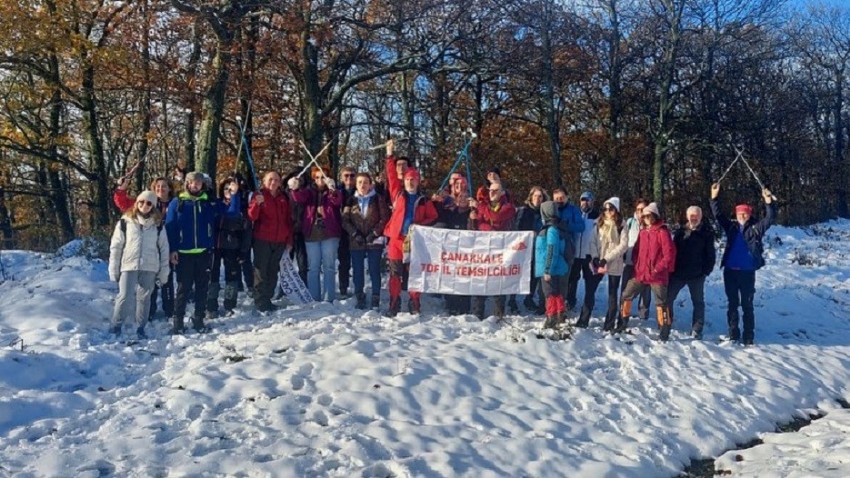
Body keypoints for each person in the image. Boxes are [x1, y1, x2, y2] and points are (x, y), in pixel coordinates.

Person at [165, 172, 241, 334]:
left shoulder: (209, 202)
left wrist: (234, 194)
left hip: (204, 253)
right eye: (192, 182)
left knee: (202, 287)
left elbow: (232, 212)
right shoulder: (177, 202)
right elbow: (170, 228)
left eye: (198, 182)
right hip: (183, 253)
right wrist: (172, 250)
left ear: (203, 184)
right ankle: (178, 321)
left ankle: (198, 318)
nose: (195, 185)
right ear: (187, 183)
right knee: (183, 288)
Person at [710, 183, 775, 345]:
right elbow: (718, 215)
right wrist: (714, 197)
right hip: (730, 272)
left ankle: (748, 336)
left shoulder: (755, 228)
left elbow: (770, 219)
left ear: (749, 214)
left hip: (747, 273)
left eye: (745, 213)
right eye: (740, 213)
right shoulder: (731, 227)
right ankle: (733, 334)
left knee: (747, 304)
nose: (742, 216)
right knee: (732, 304)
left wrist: (768, 202)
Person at [383, 139, 438, 316]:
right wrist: (390, 154)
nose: (410, 183)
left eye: (413, 180)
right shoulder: (398, 194)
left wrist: (420, 226)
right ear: (404, 181)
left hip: (415, 242)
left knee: (415, 273)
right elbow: (391, 175)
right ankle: (394, 301)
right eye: (408, 180)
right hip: (397, 240)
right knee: (394, 273)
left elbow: (433, 217)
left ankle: (415, 301)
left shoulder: (424, 199)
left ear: (418, 181)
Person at [108, 191, 170, 338]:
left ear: (153, 206)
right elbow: (116, 246)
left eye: (149, 203)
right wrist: (114, 268)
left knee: (144, 298)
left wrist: (163, 271)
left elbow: (164, 248)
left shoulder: (158, 225)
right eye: (141, 201)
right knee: (124, 296)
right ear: (137, 202)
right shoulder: (125, 221)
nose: (144, 205)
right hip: (129, 265)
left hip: (149, 266)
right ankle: (116, 325)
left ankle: (140, 327)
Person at [114, 176, 175, 320]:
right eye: (157, 186)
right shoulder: (145, 201)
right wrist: (121, 189)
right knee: (148, 285)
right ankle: (149, 312)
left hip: (167, 245)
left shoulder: (174, 203)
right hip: (145, 249)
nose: (160, 189)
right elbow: (123, 203)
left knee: (166, 278)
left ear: (170, 189)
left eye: (164, 186)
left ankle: (169, 310)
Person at [618, 202, 676, 340]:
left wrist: (657, 269)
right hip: (641, 273)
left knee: (661, 303)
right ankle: (622, 322)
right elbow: (637, 251)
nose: (646, 218)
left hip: (658, 275)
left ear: (655, 216)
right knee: (626, 294)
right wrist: (637, 264)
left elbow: (669, 255)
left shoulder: (663, 232)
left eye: (649, 216)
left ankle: (664, 330)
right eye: (644, 216)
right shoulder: (643, 232)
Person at [290, 166, 344, 302]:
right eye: (317, 177)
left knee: (329, 266)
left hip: (330, 233)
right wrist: (295, 188)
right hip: (311, 234)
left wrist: (332, 190)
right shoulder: (309, 191)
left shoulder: (333, 191)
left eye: (323, 177)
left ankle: (328, 298)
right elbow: (298, 198)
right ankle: (314, 297)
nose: (320, 180)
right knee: (313, 267)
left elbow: (337, 201)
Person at [469, 182, 516, 320]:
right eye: (490, 191)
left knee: (499, 282)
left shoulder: (509, 207)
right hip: (483, 249)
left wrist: (479, 208)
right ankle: (478, 314)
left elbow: (496, 217)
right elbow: (476, 226)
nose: (492, 193)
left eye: (496, 191)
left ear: (502, 193)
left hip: (502, 250)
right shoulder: (485, 207)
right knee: (481, 279)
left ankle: (499, 315)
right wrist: (473, 219)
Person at [342, 172, 390, 309]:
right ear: (356, 184)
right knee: (358, 269)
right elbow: (345, 219)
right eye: (360, 182)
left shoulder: (377, 198)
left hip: (373, 240)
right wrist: (354, 233)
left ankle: (376, 296)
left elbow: (384, 217)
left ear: (370, 184)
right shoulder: (351, 200)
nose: (363, 185)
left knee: (374, 269)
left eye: (365, 182)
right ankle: (359, 295)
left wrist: (374, 233)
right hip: (356, 240)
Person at [667, 206, 716, 339]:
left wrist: (706, 271)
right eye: (691, 215)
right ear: (687, 216)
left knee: (698, 302)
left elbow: (711, 254)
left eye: (696, 215)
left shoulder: (706, 232)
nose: (694, 218)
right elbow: (672, 251)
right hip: (678, 274)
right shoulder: (680, 232)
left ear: (700, 217)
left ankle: (697, 329)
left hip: (697, 275)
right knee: (668, 299)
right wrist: (671, 269)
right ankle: (666, 323)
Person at [248, 171, 294, 312]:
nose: (273, 182)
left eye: (276, 180)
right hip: (263, 239)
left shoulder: (283, 197)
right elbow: (252, 216)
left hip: (280, 239)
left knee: (273, 271)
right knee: (261, 271)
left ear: (280, 182)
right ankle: (260, 301)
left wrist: (289, 239)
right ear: (264, 181)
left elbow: (288, 219)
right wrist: (257, 204)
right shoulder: (259, 195)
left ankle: (268, 298)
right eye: (270, 179)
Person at [207, 178, 252, 318]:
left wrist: (244, 250)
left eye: (231, 189)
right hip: (216, 245)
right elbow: (221, 214)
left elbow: (243, 226)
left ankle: (229, 304)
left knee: (231, 276)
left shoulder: (240, 205)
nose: (228, 191)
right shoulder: (216, 204)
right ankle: (211, 305)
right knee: (212, 276)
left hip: (233, 245)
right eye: (226, 189)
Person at [584, 197, 629, 331]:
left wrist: (607, 258)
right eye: (605, 209)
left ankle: (609, 324)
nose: (608, 212)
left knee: (612, 294)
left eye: (611, 209)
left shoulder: (622, 224)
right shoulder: (599, 222)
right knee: (590, 290)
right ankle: (583, 319)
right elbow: (592, 241)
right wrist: (595, 257)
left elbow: (623, 245)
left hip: (614, 262)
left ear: (616, 210)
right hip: (599, 262)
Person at [432, 174, 473, 315]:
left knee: (464, 278)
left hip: (467, 252)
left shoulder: (472, 213)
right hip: (451, 251)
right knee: (450, 277)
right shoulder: (450, 210)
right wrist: (436, 202)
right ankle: (451, 304)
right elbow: (438, 218)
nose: (462, 199)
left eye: (465, 197)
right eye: (459, 197)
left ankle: (464, 306)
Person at [512, 186, 549, 313]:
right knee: (518, 273)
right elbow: (517, 227)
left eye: (540, 196)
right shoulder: (524, 210)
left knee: (535, 274)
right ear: (531, 197)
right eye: (535, 196)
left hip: (539, 247)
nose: (538, 199)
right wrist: (528, 233)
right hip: (523, 247)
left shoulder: (545, 212)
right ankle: (512, 300)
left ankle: (529, 298)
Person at [535, 201, 568, 328]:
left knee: (549, 293)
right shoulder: (553, 227)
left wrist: (548, 269)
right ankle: (560, 315)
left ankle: (551, 317)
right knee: (555, 292)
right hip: (553, 267)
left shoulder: (551, 229)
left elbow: (551, 249)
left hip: (550, 268)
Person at [567, 191, 600, 312]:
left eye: (588, 200)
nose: (585, 202)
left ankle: (588, 303)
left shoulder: (597, 217)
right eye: (583, 200)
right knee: (572, 279)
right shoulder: (575, 214)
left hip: (589, 255)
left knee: (589, 280)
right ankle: (570, 301)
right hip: (575, 253)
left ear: (592, 202)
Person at [621, 197, 651, 320]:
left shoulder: (650, 223)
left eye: (642, 209)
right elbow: (623, 239)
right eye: (638, 209)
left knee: (646, 290)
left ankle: (643, 314)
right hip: (629, 261)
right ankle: (622, 312)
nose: (640, 212)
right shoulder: (629, 222)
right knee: (625, 288)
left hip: (645, 264)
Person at [337, 166, 357, 298]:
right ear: (341, 177)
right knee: (344, 262)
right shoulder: (337, 191)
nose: (349, 178)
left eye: (352, 175)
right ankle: (343, 288)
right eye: (346, 175)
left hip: (357, 230)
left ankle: (358, 287)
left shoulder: (361, 189)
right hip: (341, 231)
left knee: (357, 261)